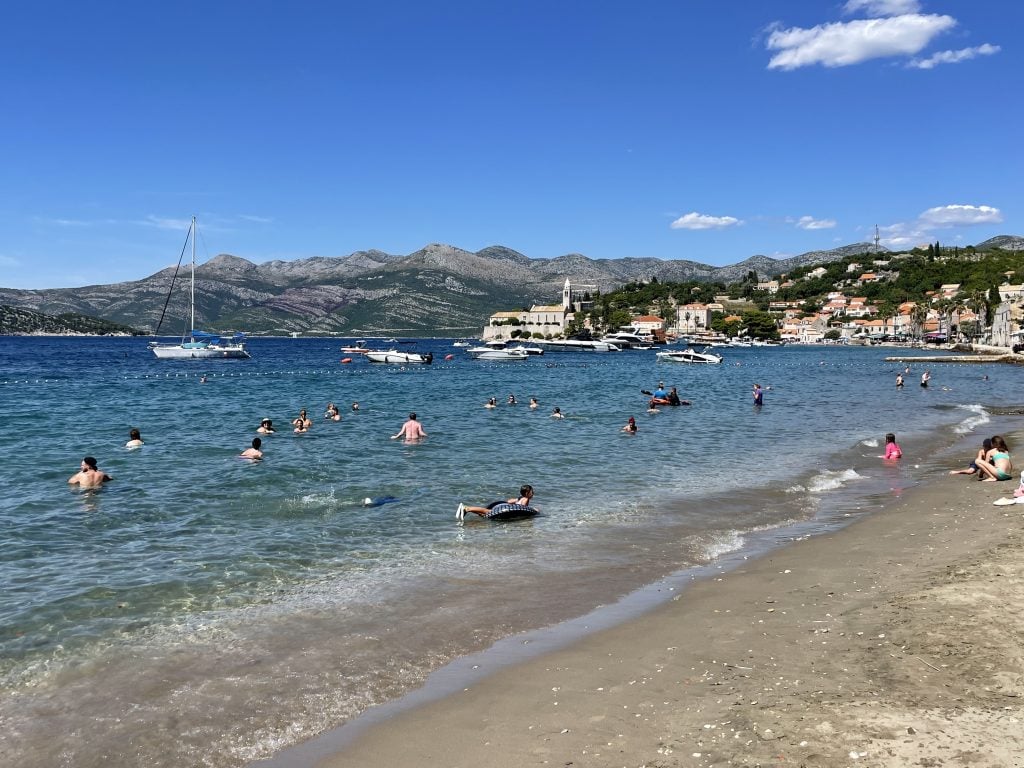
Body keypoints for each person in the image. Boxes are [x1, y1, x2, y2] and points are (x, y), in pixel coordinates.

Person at [457, 484, 536, 519]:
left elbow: (509, 501)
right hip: (505, 509)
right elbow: (523, 509)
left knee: (484, 514)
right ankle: (467, 508)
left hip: (504, 507)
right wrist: (534, 511)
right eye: (532, 492)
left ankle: (468, 511)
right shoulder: (526, 499)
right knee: (488, 511)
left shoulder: (520, 498)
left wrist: (516, 502)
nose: (533, 493)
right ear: (527, 493)